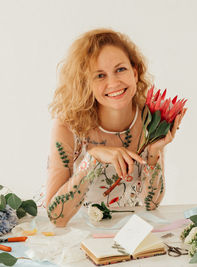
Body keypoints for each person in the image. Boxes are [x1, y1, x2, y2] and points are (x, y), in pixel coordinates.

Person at [45, 28, 186, 227]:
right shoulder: (68, 126)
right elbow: (55, 218)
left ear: (135, 72)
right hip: (78, 236)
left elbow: (151, 204)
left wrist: (154, 151)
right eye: (100, 75)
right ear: (86, 83)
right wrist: (93, 159)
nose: (113, 82)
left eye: (120, 69)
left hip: (129, 233)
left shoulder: (150, 118)